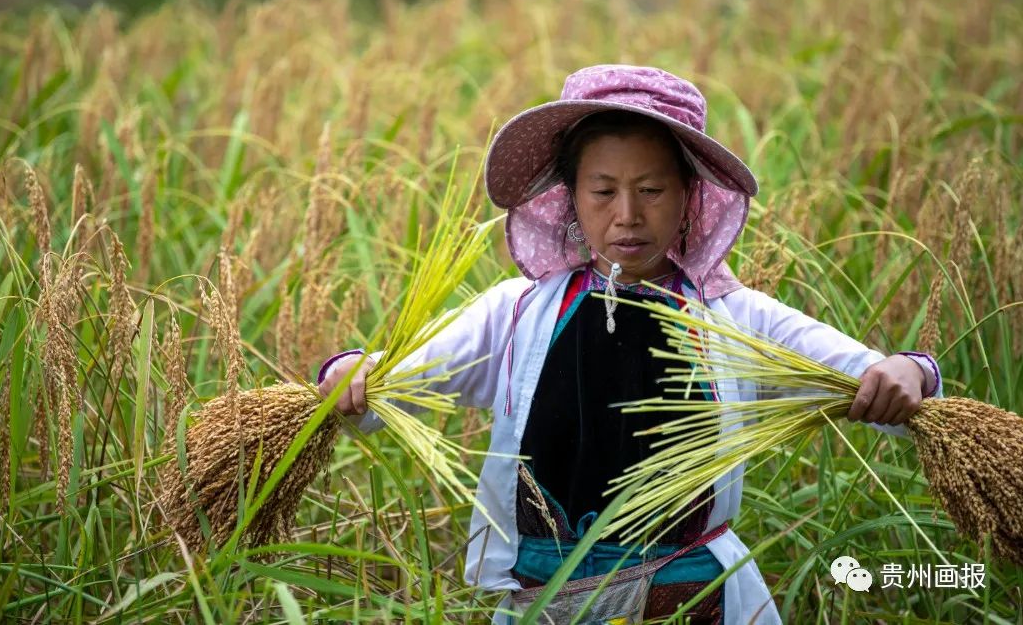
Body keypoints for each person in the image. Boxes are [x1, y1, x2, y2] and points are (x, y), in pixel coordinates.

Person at [317, 65, 942, 624]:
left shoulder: (736, 320)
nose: (627, 215)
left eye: (651, 190)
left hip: (696, 599)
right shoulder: (515, 314)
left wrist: (909, 373)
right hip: (545, 602)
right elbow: (395, 382)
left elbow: (875, 376)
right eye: (603, 190)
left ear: (689, 197)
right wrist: (356, 374)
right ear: (568, 197)